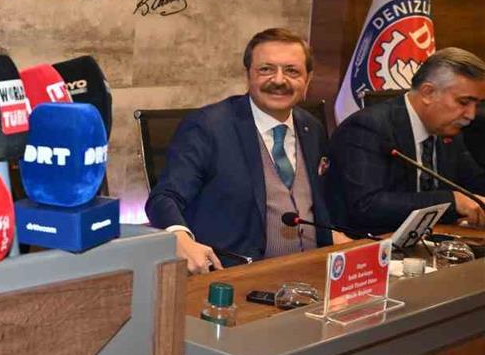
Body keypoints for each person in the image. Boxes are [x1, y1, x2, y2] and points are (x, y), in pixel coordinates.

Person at [145, 28, 335, 272]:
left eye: (292, 71)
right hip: (236, 276)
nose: (279, 80)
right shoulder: (208, 127)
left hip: (312, 271)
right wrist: (179, 237)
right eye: (266, 69)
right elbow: (164, 197)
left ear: (308, 80)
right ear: (248, 75)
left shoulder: (312, 127)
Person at [327, 47, 485, 235]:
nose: (471, 115)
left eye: (477, 104)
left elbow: (475, 182)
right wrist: (452, 201)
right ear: (428, 93)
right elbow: (367, 206)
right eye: (464, 102)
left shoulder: (447, 130)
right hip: (373, 244)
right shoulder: (367, 128)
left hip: (430, 241)